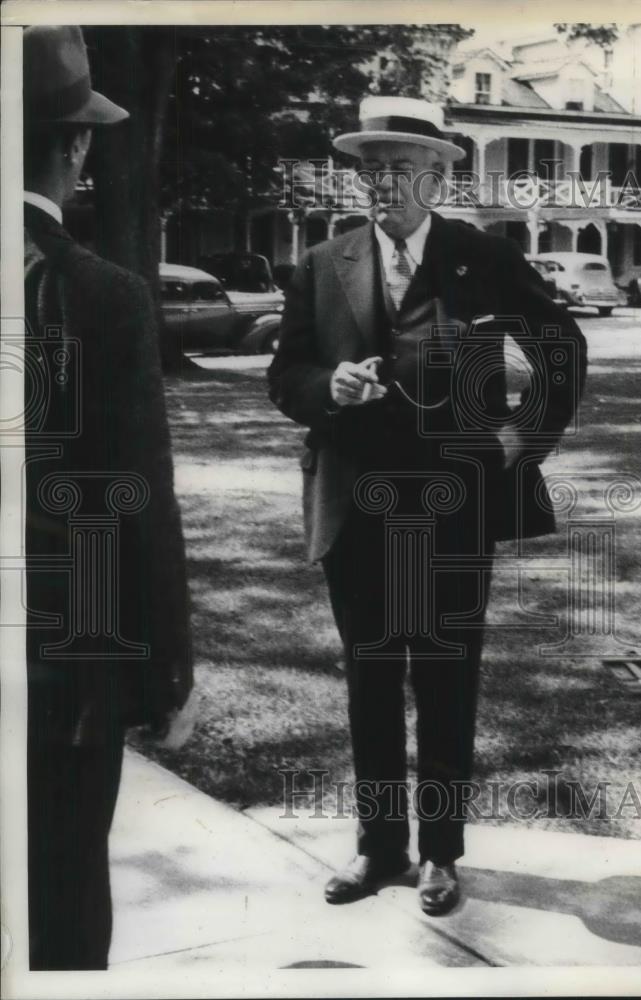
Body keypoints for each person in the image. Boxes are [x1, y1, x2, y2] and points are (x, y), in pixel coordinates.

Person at [268, 96, 586, 915]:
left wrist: (524, 440)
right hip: (358, 505)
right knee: (370, 677)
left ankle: (441, 855)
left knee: (444, 677)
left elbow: (561, 345)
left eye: (402, 167)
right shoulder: (321, 263)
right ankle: (379, 851)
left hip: (453, 506)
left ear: (439, 173)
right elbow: (286, 374)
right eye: (371, 167)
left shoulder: (479, 255)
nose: (383, 183)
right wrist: (324, 389)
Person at [23, 25, 194, 969]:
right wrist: (166, 668)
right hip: (62, 665)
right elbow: (137, 499)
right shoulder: (105, 294)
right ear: (77, 143)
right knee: (62, 894)